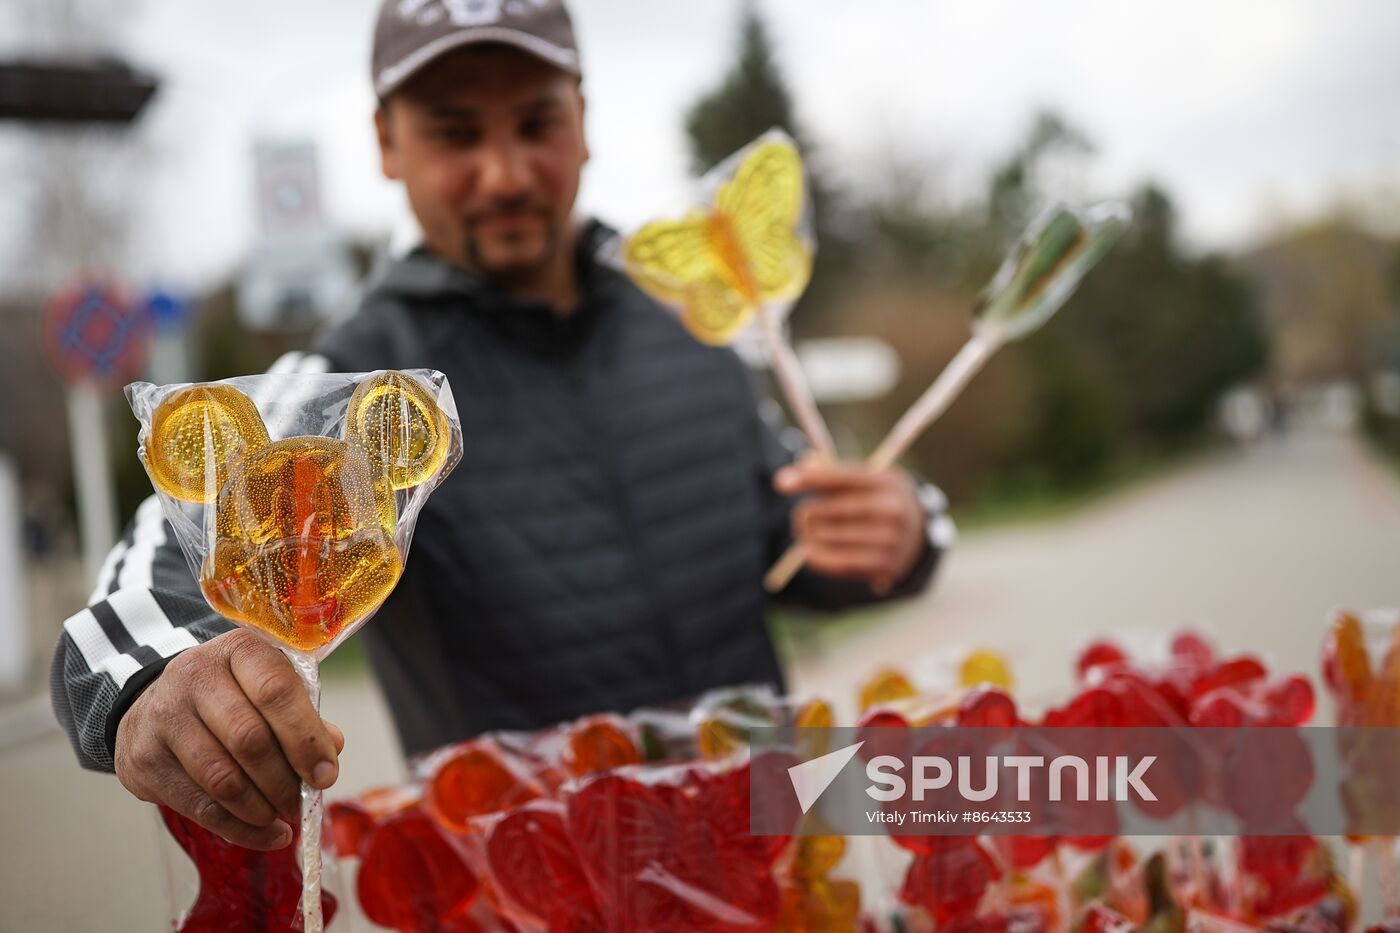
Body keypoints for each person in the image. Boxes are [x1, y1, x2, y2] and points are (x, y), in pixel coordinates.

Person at [51, 0, 954, 852]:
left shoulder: (687, 319)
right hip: (529, 884)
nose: (506, 172)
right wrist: (155, 679)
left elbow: (792, 528)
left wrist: (903, 530)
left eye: (535, 123)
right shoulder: (359, 390)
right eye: (455, 132)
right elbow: (150, 582)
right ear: (386, 143)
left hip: (772, 851)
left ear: (584, 119)